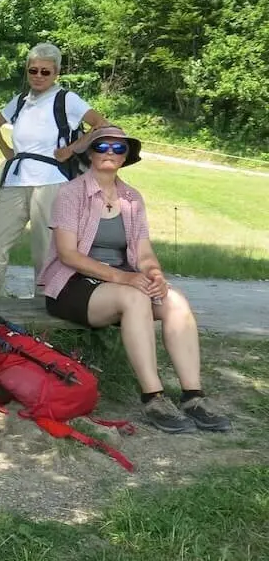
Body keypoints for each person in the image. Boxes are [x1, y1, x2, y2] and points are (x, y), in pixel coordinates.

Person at [39, 126, 232, 434]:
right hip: (72, 285)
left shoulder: (132, 198)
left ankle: (193, 396)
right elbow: (68, 255)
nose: (110, 154)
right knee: (134, 297)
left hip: (123, 284)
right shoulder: (71, 193)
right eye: (102, 146)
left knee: (176, 301)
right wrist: (124, 278)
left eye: (119, 149)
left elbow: (143, 253)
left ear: (126, 157)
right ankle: (153, 396)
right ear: (89, 152)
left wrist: (153, 274)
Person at [0, 42, 108, 298]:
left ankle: (47, 307)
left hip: (51, 182)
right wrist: (6, 151)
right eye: (33, 70)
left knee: (46, 250)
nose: (38, 76)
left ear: (56, 73)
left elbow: (101, 124)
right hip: (16, 181)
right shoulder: (21, 101)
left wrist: (70, 149)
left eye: (45, 72)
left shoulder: (67, 99)